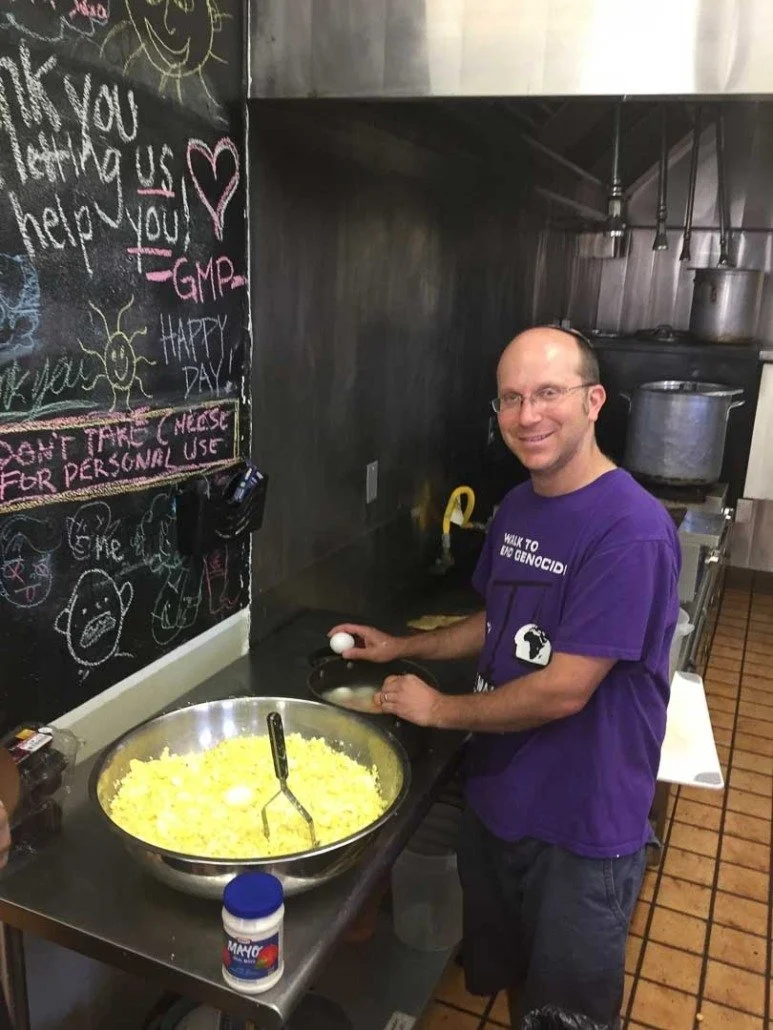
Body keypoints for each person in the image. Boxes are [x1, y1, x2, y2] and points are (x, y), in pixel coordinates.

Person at [329, 326, 680, 1029]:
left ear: (593, 401)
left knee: (564, 1016)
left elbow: (565, 688)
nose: (528, 415)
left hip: (579, 829)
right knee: (517, 986)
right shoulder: (521, 505)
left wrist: (438, 710)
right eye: (511, 398)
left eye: (549, 393)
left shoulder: (628, 530)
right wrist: (402, 645)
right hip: (501, 804)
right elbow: (496, 620)